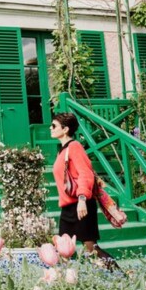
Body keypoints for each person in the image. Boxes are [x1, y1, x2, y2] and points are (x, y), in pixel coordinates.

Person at [50, 113, 116, 265]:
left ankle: (119, 275)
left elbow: (85, 173)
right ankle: (66, 278)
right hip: (68, 207)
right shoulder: (62, 150)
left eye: (54, 126)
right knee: (63, 248)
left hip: (81, 205)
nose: (50, 128)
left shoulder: (74, 147)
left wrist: (82, 199)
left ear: (65, 129)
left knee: (91, 248)